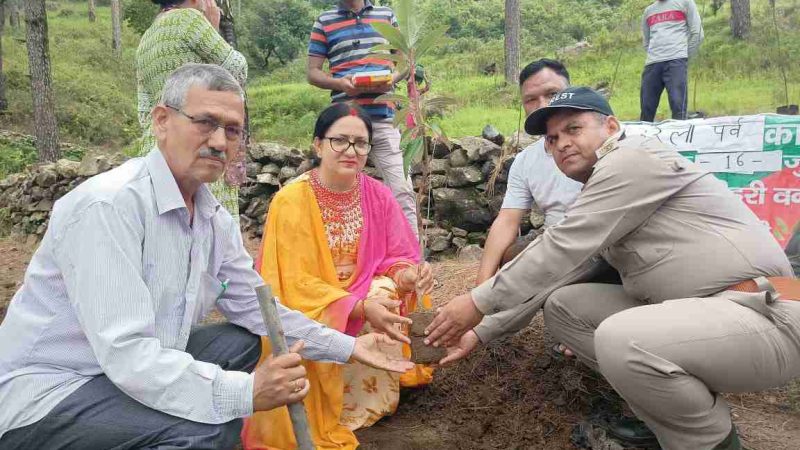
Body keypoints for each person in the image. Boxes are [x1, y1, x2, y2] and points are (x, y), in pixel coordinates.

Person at [0, 64, 414, 450]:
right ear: (161, 121)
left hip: (131, 369)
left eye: (232, 131)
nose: (219, 142)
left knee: (249, 339)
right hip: (56, 388)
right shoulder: (108, 207)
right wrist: (242, 393)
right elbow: (126, 352)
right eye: (205, 123)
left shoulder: (211, 216)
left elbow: (257, 305)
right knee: (210, 423)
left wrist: (346, 346)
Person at [426, 87, 799, 450]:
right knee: (565, 307)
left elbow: (559, 246)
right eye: (553, 140)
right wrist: (482, 330)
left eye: (573, 129)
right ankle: (669, 416)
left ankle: (711, 442)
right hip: (712, 315)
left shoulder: (632, 159)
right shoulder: (605, 194)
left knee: (622, 337)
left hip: (766, 315)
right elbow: (563, 269)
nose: (562, 144)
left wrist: (476, 302)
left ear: (610, 127)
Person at [241, 103, 434, 450]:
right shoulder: (291, 201)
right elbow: (293, 281)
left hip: (362, 292)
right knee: (339, 307)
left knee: (386, 292)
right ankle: (329, 406)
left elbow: (397, 256)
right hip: (313, 299)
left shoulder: (378, 194)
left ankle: (367, 401)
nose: (351, 151)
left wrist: (407, 276)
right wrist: (355, 306)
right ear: (318, 145)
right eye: (340, 141)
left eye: (361, 143)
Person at [307, 0, 418, 232]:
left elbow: (404, 63)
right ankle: (339, 255)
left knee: (402, 189)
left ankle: (412, 260)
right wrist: (340, 84)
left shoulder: (386, 15)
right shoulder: (324, 21)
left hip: (384, 117)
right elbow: (313, 73)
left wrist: (390, 79)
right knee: (337, 190)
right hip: (345, 122)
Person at [476, 59, 583, 285]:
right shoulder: (526, 160)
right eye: (531, 99)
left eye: (552, 93)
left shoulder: (596, 143)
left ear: (571, 92)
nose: (542, 105)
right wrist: (481, 286)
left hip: (597, 240)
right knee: (511, 257)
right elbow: (507, 220)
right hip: (553, 242)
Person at [136, 0, 246, 217]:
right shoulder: (190, 20)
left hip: (158, 148)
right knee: (207, 228)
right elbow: (238, 70)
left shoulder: (147, 37)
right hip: (199, 143)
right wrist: (212, 28)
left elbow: (143, 111)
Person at [640, 0, 704, 121]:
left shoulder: (685, 3)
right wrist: (655, 55)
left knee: (678, 107)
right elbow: (646, 42)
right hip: (652, 64)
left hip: (676, 61)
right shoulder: (648, 11)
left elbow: (698, 33)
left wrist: (684, 56)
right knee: (646, 109)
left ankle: (680, 137)